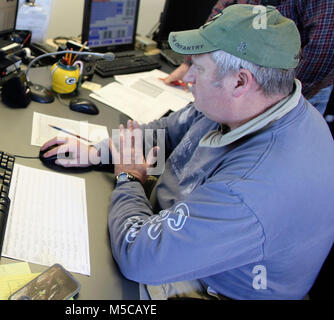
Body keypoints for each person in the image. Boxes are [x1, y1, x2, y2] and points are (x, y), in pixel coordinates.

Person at [40, 5, 334, 299]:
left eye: (199, 68)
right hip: (182, 232)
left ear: (240, 82)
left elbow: (138, 256)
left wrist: (128, 178)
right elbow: (169, 130)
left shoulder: (252, 187)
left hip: (208, 285)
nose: (187, 77)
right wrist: (99, 151)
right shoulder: (260, 101)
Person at [163, 0, 334, 116]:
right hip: (245, 83)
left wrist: (276, 94)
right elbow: (221, 16)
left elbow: (324, 51)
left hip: (298, 84)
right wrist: (192, 62)